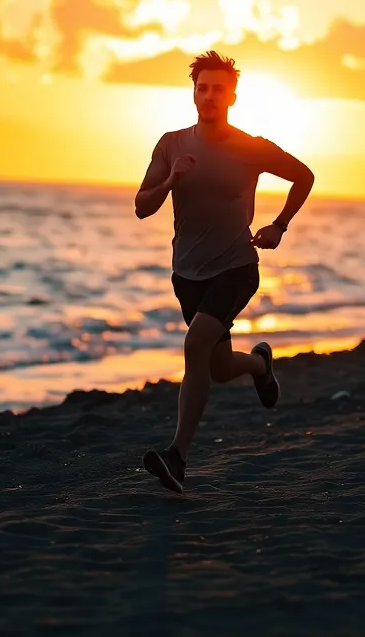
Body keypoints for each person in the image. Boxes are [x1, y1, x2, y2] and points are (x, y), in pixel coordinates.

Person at [133, 50, 315, 493]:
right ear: (194, 94)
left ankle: (177, 458)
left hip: (236, 267)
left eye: (219, 89)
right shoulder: (171, 144)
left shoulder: (251, 147)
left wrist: (279, 225)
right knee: (213, 367)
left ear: (232, 96)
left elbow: (304, 176)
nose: (210, 95)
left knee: (194, 345)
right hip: (187, 274)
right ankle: (259, 365)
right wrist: (171, 180)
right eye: (203, 88)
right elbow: (142, 207)